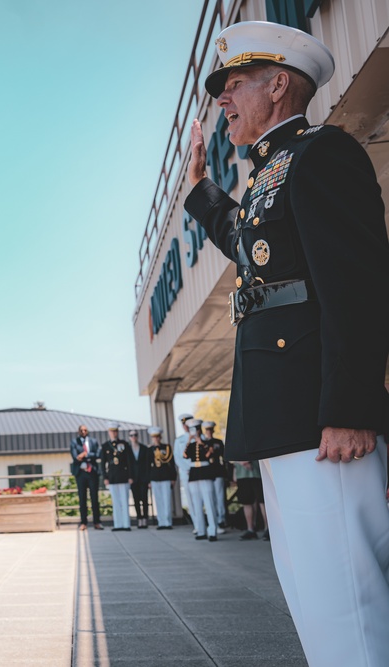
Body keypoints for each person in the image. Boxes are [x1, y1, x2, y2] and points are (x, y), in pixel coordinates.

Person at [186, 20, 389, 664]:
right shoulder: (268, 174)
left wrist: (350, 407)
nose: (223, 100)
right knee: (311, 592)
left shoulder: (321, 152)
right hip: (283, 415)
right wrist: (202, 195)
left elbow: (355, 285)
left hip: (320, 419)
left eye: (234, 84)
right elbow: (255, 249)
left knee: (345, 598)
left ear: (278, 86)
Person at [182, 419, 218, 542]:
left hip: (205, 471)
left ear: (199, 430)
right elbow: (185, 455)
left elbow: (210, 454)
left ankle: (212, 531)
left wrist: (201, 442)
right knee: (196, 503)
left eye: (195, 429)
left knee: (209, 502)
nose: (194, 432)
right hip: (194, 473)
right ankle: (201, 530)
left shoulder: (207, 442)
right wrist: (189, 440)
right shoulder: (191, 444)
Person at [101, 424, 135, 531]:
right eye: (112, 431)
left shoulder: (124, 444)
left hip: (123, 475)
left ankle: (126, 524)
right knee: (115, 502)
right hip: (112, 476)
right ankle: (118, 524)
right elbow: (103, 463)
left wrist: (130, 476)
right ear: (108, 432)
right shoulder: (105, 446)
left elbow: (130, 461)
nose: (114, 433)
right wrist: (105, 477)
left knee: (124, 501)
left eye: (115, 431)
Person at [69, 425, 103, 530]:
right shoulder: (75, 442)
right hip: (81, 473)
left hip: (92, 472)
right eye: (81, 430)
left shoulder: (93, 441)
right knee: (82, 498)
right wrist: (81, 456)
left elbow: (97, 454)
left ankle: (97, 522)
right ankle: (83, 522)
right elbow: (75, 457)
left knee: (94, 498)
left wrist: (85, 455)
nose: (83, 432)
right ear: (78, 431)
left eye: (85, 430)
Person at [147, 427, 177, 529]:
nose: (156, 439)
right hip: (155, 477)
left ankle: (168, 522)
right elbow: (147, 466)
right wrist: (148, 480)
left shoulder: (166, 448)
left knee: (166, 500)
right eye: (154, 437)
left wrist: (173, 478)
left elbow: (171, 463)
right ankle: (161, 522)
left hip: (166, 476)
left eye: (157, 437)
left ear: (160, 437)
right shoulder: (150, 449)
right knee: (158, 501)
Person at [232, 460, 269, 541]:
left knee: (262, 501)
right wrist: (241, 463)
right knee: (247, 502)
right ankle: (250, 529)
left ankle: (268, 528)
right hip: (242, 473)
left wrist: (246, 461)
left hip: (257, 472)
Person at [203, 421, 228, 531]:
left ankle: (221, 519)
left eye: (210, 430)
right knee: (210, 496)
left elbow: (224, 457)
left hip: (218, 470)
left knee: (220, 496)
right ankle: (213, 519)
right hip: (208, 471)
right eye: (207, 430)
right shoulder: (203, 442)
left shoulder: (218, 442)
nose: (209, 432)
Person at [127, 429, 152, 528]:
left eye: (135, 435)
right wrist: (129, 477)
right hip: (133, 478)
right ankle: (139, 519)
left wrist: (148, 479)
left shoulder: (144, 448)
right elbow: (127, 465)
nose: (133, 437)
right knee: (136, 499)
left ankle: (145, 519)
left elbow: (147, 464)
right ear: (129, 437)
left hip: (143, 478)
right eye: (131, 435)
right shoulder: (128, 449)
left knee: (144, 499)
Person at [172, 413, 194, 524]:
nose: (185, 426)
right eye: (183, 424)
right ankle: (197, 525)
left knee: (205, 497)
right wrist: (187, 468)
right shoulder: (179, 440)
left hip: (199, 471)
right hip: (186, 472)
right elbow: (177, 457)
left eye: (187, 423)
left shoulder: (199, 437)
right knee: (190, 499)